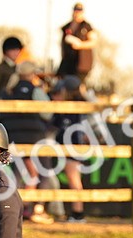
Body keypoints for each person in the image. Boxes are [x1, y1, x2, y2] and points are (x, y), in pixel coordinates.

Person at [0, 61, 53, 223]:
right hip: (34, 137)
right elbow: (48, 113)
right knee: (43, 171)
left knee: (17, 174)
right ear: (32, 74)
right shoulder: (36, 91)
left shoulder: (7, 91)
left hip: (12, 138)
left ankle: (11, 209)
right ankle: (37, 209)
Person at [48, 75, 89, 222]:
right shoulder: (79, 104)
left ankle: (78, 213)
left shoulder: (75, 106)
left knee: (74, 178)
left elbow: (60, 124)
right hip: (69, 144)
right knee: (74, 178)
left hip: (72, 145)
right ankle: (77, 212)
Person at [58, 3, 97, 85]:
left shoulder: (86, 27)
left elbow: (93, 42)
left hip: (81, 64)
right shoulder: (67, 27)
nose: (77, 14)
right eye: (76, 11)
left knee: (77, 84)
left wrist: (81, 45)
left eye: (79, 11)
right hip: (67, 62)